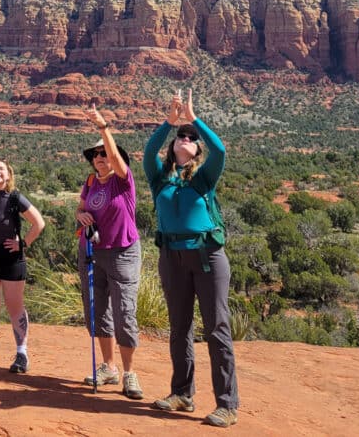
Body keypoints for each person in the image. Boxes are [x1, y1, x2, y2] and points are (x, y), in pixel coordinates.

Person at [143, 89, 239, 428]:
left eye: (190, 138)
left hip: (207, 257)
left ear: (197, 148)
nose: (184, 138)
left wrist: (193, 117)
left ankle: (227, 404)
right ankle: (182, 393)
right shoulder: (159, 179)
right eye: (180, 136)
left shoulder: (203, 179)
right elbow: (148, 151)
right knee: (179, 328)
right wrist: (168, 122)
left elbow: (222, 150)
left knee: (216, 329)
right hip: (171, 257)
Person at [75, 104, 143, 400]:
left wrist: (103, 126)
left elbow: (115, 157)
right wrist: (81, 216)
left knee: (124, 311)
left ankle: (129, 373)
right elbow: (81, 207)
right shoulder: (90, 183)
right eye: (95, 155)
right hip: (92, 252)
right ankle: (108, 367)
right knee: (97, 309)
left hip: (123, 252)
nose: (99, 158)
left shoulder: (123, 182)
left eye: (104, 153)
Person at [0, 156, 45, 374]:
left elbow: (39, 222)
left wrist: (23, 243)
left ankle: (22, 353)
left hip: (11, 257)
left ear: (8, 174)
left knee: (15, 306)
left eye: (1, 169)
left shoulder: (15, 197)